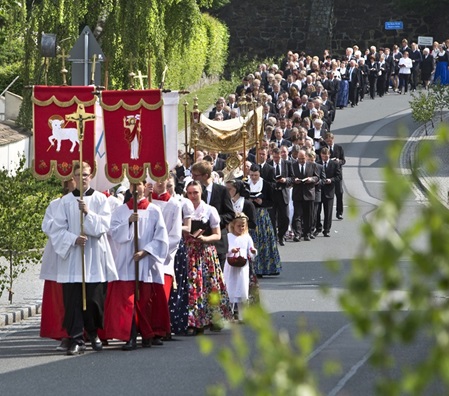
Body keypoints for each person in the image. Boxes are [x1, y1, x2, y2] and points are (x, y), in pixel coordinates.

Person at [51, 161, 118, 355]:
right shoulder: (64, 202)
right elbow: (56, 230)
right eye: (79, 175)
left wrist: (88, 213)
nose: (83, 178)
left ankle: (93, 333)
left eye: (86, 174)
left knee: (94, 301)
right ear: (74, 177)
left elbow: (104, 226)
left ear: (91, 176)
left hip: (93, 258)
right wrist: (73, 239)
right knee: (73, 302)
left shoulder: (100, 200)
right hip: (73, 259)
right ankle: (76, 339)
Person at [104, 180, 170, 350]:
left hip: (146, 262)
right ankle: (130, 336)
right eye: (133, 184)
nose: (136, 187)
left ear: (144, 186)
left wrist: (146, 251)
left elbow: (161, 238)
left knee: (145, 301)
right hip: (127, 261)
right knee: (128, 302)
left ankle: (147, 334)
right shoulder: (120, 211)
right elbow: (115, 234)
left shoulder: (154, 211)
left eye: (139, 184)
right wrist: (128, 222)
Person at [184, 181, 232, 335]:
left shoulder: (209, 210)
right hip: (189, 251)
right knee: (193, 287)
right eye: (190, 193)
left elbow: (217, 234)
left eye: (195, 193)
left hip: (205, 251)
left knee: (210, 286)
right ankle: (194, 322)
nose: (192, 196)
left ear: (201, 193)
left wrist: (205, 239)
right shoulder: (183, 209)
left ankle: (214, 318)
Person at [40, 178, 76, 351]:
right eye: (70, 180)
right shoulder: (56, 204)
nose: (73, 182)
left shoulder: (84, 201)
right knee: (60, 299)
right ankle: (64, 334)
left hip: (77, 251)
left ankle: (82, 333)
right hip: (57, 253)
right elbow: (47, 226)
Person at [191, 160, 234, 268]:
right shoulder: (193, 191)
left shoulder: (221, 190)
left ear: (205, 175)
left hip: (217, 242)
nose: (193, 178)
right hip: (198, 241)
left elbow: (230, 214)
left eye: (196, 175)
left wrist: (214, 219)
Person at [247, 164, 281, 276]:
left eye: (256, 175)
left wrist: (262, 202)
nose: (254, 177)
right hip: (249, 215)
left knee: (264, 241)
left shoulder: (265, 185)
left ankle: (267, 267)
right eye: (252, 175)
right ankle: (253, 268)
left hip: (262, 215)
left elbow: (272, 202)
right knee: (252, 241)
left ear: (259, 174)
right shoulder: (245, 184)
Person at [224, 214, 257, 322]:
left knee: (242, 289)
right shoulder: (229, 237)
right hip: (231, 266)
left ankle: (243, 315)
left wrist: (253, 252)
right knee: (230, 287)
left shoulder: (247, 237)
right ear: (233, 225)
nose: (241, 228)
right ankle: (229, 314)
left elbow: (251, 250)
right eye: (239, 226)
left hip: (243, 266)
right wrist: (231, 251)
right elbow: (225, 251)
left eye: (243, 226)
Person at [290, 149, 319, 241]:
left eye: (303, 159)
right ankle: (298, 234)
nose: (301, 161)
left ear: (306, 157)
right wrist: (294, 180)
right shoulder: (293, 165)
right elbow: (290, 177)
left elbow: (317, 177)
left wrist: (311, 180)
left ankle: (307, 233)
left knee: (308, 215)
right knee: (297, 215)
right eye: (299, 159)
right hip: (297, 193)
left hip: (308, 193)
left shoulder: (312, 165)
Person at [317, 147, 342, 237]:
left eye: (326, 156)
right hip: (319, 190)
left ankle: (326, 229)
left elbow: (339, 177)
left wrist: (331, 180)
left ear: (329, 155)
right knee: (317, 211)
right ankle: (318, 227)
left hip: (329, 190)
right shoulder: (318, 163)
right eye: (323, 156)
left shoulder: (334, 164)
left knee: (328, 212)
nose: (324, 158)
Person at [324, 132, 346, 220]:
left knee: (339, 192)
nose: (329, 142)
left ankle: (339, 212)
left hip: (337, 173)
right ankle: (327, 213)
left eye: (330, 141)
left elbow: (343, 160)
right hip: (328, 173)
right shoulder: (324, 149)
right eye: (327, 141)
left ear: (333, 139)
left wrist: (338, 161)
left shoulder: (339, 148)